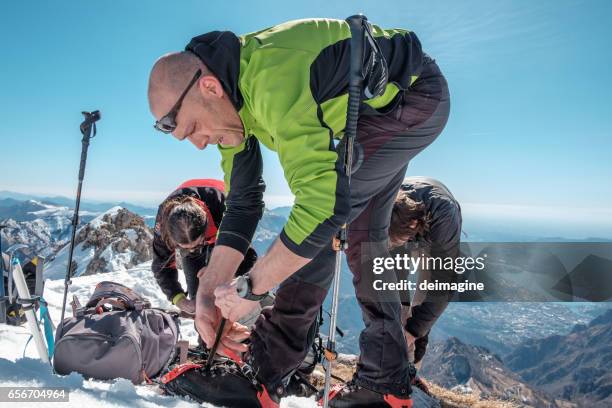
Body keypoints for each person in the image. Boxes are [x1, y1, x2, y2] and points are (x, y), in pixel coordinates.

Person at [148, 18, 450, 407]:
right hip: (386, 108)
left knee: (325, 225)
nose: (200, 145)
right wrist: (207, 291)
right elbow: (242, 203)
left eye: (192, 129)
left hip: (413, 99)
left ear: (209, 88)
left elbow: (320, 208)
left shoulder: (272, 77)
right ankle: (386, 384)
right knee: (364, 238)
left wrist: (252, 288)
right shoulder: (229, 104)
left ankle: (264, 376)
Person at [152, 179, 258, 317]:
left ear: (205, 230)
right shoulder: (163, 224)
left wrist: (220, 274)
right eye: (183, 248)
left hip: (222, 224)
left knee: (228, 287)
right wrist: (179, 299)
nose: (191, 250)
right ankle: (205, 331)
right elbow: (161, 266)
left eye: (197, 245)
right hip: (202, 229)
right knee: (199, 299)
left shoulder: (224, 208)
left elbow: (247, 256)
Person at [389, 176, 462, 369]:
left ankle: (411, 371)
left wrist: (414, 331)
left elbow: (443, 285)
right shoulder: (385, 205)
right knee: (394, 300)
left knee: (423, 302)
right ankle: (388, 364)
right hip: (401, 220)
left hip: (435, 226)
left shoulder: (445, 217)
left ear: (413, 227)